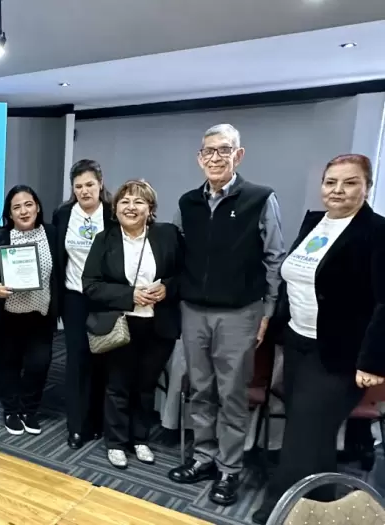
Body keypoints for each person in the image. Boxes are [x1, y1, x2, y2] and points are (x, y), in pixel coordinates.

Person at [252, 154, 385, 523]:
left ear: (367, 186)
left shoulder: (376, 231)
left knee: (303, 437)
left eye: (350, 182)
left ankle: (278, 512)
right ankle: (321, 506)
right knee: (311, 433)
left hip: (340, 354)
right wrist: (272, 321)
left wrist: (373, 361)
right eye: (331, 182)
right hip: (298, 343)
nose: (338, 190)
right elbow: (295, 278)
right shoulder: (316, 222)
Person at [168, 124, 285, 506]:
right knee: (200, 390)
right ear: (199, 158)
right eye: (208, 151)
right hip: (195, 311)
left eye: (224, 150)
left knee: (232, 394)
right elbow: (179, 252)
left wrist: (267, 311)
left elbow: (274, 259)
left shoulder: (260, 198)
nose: (215, 158)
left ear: (239, 154)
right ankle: (203, 456)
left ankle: (229, 469)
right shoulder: (188, 202)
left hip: (240, 313)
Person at [81, 180, 183, 469]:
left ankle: (139, 439)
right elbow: (90, 285)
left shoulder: (167, 235)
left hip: (158, 325)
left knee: (146, 385)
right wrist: (130, 295)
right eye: (125, 201)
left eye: (139, 201)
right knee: (118, 385)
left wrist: (168, 288)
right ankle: (115, 442)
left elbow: (184, 275)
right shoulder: (105, 239)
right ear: (116, 208)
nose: (131, 207)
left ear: (150, 208)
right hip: (122, 324)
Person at [0, 184, 58, 435]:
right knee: (8, 365)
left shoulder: (52, 234)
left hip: (40, 314)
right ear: (9, 213)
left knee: (38, 365)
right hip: (6, 315)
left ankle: (29, 410)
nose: (23, 211)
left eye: (28, 204)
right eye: (16, 207)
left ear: (38, 207)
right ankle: (11, 410)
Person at [52, 159, 115, 449]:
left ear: (100, 184)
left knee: (102, 360)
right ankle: (76, 426)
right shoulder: (64, 214)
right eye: (78, 186)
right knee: (76, 361)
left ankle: (97, 421)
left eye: (89, 184)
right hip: (74, 297)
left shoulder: (114, 213)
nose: (84, 191)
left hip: (104, 299)